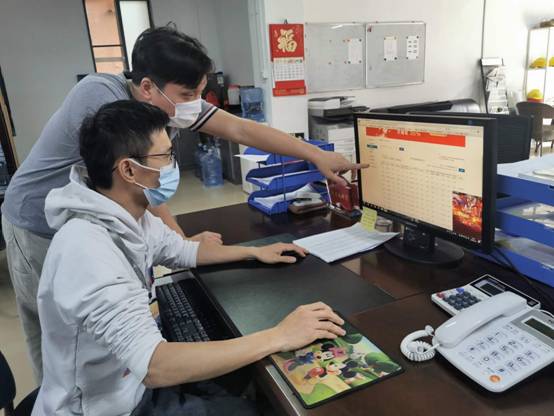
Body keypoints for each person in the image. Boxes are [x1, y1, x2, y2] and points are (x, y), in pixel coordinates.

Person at [1, 25, 365, 382]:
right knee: (64, 342)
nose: (195, 103)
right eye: (189, 93)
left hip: (105, 215)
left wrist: (314, 154)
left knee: (112, 337)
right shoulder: (103, 102)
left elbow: (240, 129)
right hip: (37, 220)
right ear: (147, 88)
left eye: (199, 92)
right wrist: (277, 335)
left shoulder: (168, 107)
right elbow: (138, 184)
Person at [31, 100, 346, 415]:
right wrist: (280, 336)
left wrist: (254, 251)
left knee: (241, 382)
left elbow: (182, 250)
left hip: (131, 385)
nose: (173, 165)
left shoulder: (126, 217)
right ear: (128, 169)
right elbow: (155, 365)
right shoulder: (87, 251)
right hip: (111, 408)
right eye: (166, 156)